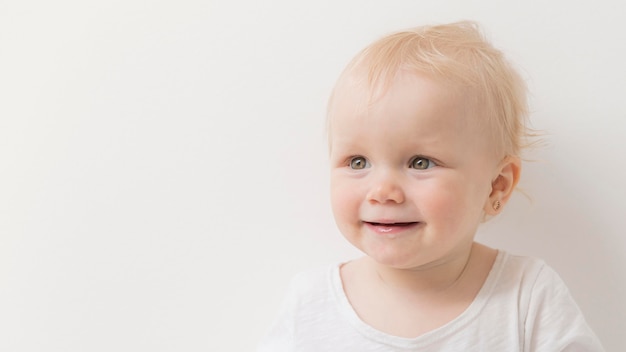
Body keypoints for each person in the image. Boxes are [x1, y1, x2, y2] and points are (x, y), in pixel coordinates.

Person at [258, 21, 604, 351]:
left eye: (419, 162)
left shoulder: (527, 296)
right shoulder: (311, 304)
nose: (382, 191)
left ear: (496, 186)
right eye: (358, 162)